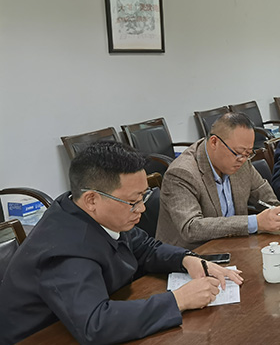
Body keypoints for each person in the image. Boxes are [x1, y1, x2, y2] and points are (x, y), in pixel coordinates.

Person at [0, 141, 243, 344]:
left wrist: (186, 259)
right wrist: (179, 300)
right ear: (92, 199)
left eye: (143, 196)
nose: (142, 208)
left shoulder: (94, 211)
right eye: (133, 201)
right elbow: (96, 324)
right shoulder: (63, 250)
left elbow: (146, 248)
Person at [157, 112, 280, 250]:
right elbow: (191, 227)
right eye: (238, 153)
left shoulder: (242, 160)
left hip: (234, 244)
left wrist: (277, 214)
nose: (243, 160)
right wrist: (254, 222)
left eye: (248, 153)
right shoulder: (181, 173)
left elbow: (264, 195)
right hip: (192, 253)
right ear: (214, 142)